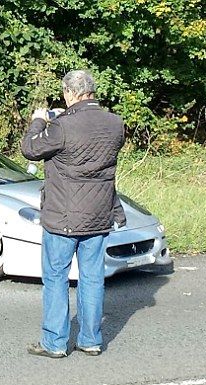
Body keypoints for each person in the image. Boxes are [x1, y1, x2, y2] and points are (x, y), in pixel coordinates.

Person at [21, 70, 126, 358]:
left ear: (69, 93)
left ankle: (54, 343)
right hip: (99, 213)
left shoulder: (62, 127)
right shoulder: (116, 123)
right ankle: (90, 340)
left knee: (56, 277)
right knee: (92, 277)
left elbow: (30, 149)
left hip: (63, 216)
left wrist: (39, 121)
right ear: (92, 91)